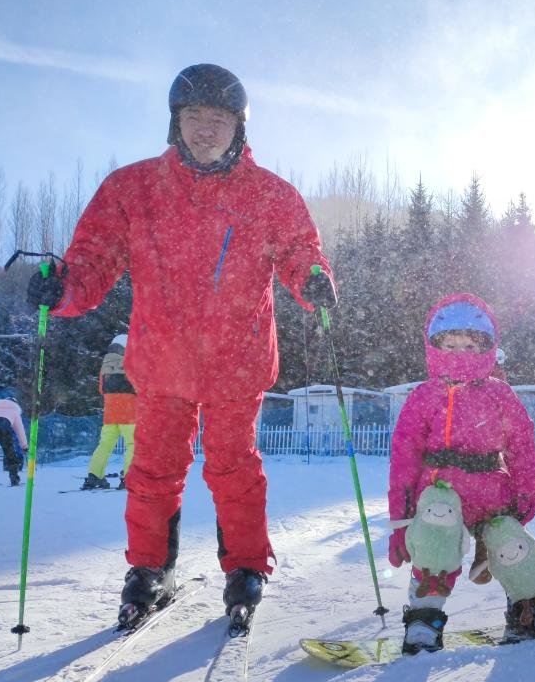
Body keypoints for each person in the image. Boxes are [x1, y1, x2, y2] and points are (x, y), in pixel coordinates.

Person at [26, 64, 337, 625]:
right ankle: (150, 568)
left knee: (234, 467)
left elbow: (299, 250)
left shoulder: (269, 194)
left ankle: (245, 567)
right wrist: (62, 288)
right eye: (194, 116)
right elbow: (92, 263)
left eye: (218, 118)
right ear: (176, 122)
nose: (206, 129)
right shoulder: (132, 189)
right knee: (152, 470)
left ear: (239, 127)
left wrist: (313, 279)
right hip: (162, 362)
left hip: (236, 362)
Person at [387, 293, 535, 652]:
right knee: (436, 523)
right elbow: (404, 457)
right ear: (436, 346)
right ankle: (425, 616)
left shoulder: (500, 394)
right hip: (441, 492)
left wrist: (527, 491)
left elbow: (522, 443)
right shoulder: (425, 396)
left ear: (486, 348)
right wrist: (400, 520)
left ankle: (526, 606)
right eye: (450, 344)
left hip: (494, 497)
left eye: (469, 344)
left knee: (512, 544)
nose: (460, 352)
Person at [82, 334, 136, 490]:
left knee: (104, 445)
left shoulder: (105, 368)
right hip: (130, 414)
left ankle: (94, 476)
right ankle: (128, 477)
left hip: (110, 415)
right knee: (132, 445)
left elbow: (101, 389)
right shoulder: (131, 363)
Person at [0, 396, 28, 487]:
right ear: (16, 404)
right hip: (3, 429)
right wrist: (24, 446)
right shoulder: (14, 411)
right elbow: (20, 430)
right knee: (10, 454)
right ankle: (14, 480)